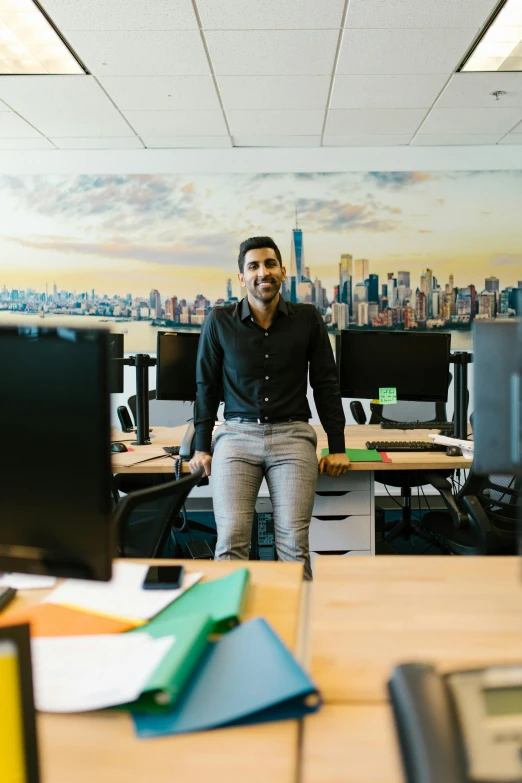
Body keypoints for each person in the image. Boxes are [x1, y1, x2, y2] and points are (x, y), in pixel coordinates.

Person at [188, 236, 349, 579]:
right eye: (254, 266)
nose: (264, 272)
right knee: (231, 540)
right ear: (242, 277)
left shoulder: (308, 319)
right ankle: (229, 625)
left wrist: (338, 447)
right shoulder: (219, 321)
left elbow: (326, 384)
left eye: (270, 264)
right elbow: (207, 387)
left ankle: (299, 625)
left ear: (283, 272)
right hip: (236, 437)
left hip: (292, 436)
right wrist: (202, 447)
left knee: (293, 543)